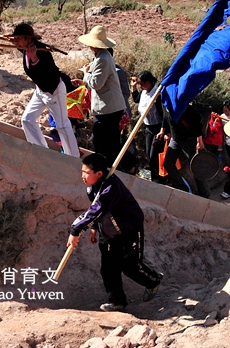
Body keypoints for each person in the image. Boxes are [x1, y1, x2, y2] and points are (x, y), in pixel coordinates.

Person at [68, 152, 163, 312]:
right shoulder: (92, 188)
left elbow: (97, 210)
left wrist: (75, 230)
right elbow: (96, 210)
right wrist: (93, 228)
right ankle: (117, 301)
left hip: (129, 229)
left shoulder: (111, 187)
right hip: (108, 231)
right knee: (108, 268)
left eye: (87, 173)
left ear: (99, 173)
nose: (83, 176)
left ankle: (153, 281)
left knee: (130, 266)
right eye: (82, 171)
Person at [9, 23, 80, 156]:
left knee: (62, 125)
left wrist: (35, 58)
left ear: (28, 39)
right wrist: (15, 43)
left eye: (18, 38)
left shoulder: (42, 52)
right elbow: (24, 51)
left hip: (53, 90)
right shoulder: (27, 48)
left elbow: (47, 74)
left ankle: (73, 158)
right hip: (40, 90)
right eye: (15, 39)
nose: (16, 42)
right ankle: (41, 151)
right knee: (27, 119)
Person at [79, 26, 125, 168]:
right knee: (107, 141)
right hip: (110, 107)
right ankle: (110, 167)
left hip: (108, 108)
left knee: (103, 142)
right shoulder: (102, 57)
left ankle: (108, 169)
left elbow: (96, 83)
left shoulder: (103, 59)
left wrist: (86, 74)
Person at [131, 71, 164, 181]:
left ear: (149, 82)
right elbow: (136, 100)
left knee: (154, 155)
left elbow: (164, 114)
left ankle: (160, 179)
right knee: (149, 155)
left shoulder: (157, 94)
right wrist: (133, 88)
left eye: (141, 84)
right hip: (148, 128)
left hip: (158, 128)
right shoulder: (144, 92)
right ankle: (155, 178)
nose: (140, 86)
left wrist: (163, 130)